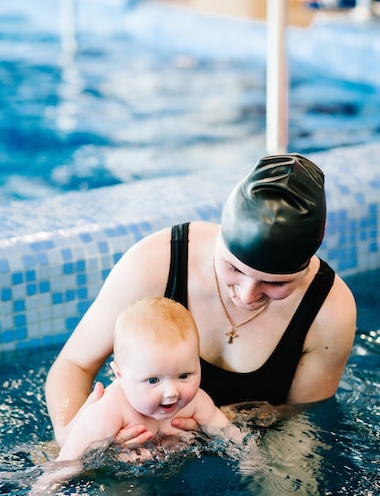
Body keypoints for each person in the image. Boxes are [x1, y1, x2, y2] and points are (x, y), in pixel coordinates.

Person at [46, 153, 357, 448]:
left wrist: (218, 423)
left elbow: (303, 417)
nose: (246, 295)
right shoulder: (157, 261)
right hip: (137, 436)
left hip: (248, 442)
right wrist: (71, 436)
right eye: (233, 268)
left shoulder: (329, 310)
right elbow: (74, 364)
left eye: (275, 283)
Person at [57, 296, 233, 462]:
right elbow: (67, 462)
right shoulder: (110, 410)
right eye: (153, 380)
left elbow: (232, 436)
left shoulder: (196, 402)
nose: (171, 392)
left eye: (184, 376)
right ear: (120, 376)